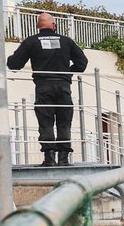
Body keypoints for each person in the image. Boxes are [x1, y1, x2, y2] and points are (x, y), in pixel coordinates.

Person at [6, 12, 88, 166]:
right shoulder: (66, 41)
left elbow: (14, 64)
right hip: (63, 87)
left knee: (46, 122)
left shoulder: (31, 42)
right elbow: (82, 63)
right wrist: (68, 73)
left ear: (38, 26)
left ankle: (49, 159)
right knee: (64, 121)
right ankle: (63, 159)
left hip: (43, 87)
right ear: (53, 25)